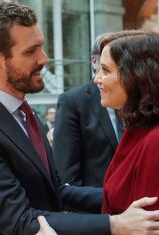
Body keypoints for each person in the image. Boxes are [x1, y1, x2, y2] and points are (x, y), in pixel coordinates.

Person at [0, 2, 159, 235]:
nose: (44, 58)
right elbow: (23, 224)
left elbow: (56, 192)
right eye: (31, 51)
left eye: (41, 46)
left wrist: (131, 198)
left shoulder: (23, 115)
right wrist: (115, 224)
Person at [8, 30, 159, 235]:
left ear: (136, 76)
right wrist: (58, 191)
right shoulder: (138, 132)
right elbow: (114, 198)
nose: (96, 79)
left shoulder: (158, 141)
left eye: (105, 70)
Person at [53, 33, 121, 187]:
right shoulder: (73, 102)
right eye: (106, 67)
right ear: (94, 61)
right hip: (95, 206)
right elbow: (66, 171)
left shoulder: (135, 100)